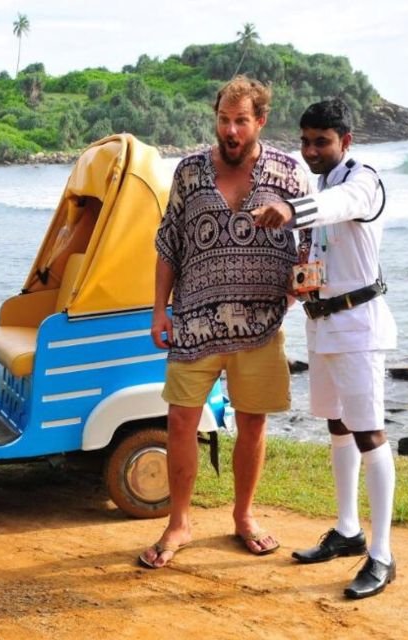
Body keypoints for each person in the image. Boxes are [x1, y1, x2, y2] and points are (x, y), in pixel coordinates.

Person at [140, 75, 309, 569]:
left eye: (241, 121)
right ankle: (178, 523)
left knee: (252, 425)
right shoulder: (190, 172)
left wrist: (301, 285)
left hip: (260, 324)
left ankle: (243, 516)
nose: (231, 130)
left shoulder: (288, 172)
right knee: (179, 422)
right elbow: (169, 243)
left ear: (260, 121)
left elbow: (308, 243)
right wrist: (158, 309)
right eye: (223, 119)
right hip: (194, 319)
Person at [252, 98, 398, 599]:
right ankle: (348, 530)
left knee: (370, 433)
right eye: (306, 141)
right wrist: (303, 282)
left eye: (322, 141)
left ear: (346, 141)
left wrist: (290, 210)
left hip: (358, 326)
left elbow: (345, 208)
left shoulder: (364, 180)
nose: (311, 150)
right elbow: (322, 246)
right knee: (338, 426)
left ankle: (381, 555)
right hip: (323, 322)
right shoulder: (322, 184)